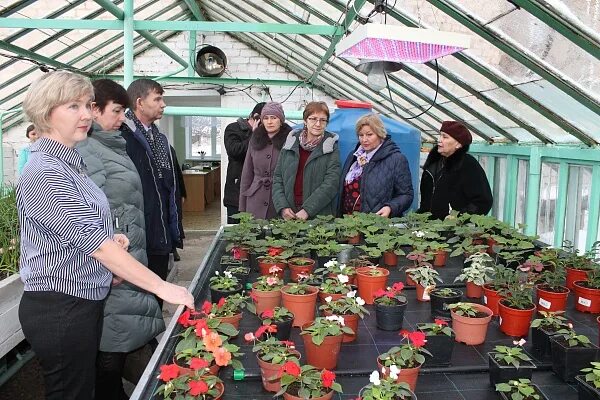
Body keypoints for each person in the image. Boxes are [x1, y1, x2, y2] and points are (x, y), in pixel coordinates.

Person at [17, 70, 194, 400]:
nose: (86, 114)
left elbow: (79, 231)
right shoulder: (45, 171)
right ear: (45, 111)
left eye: (87, 104)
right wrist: (162, 287)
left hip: (83, 298)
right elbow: (91, 243)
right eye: (73, 106)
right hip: (61, 305)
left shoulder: (71, 163)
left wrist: (113, 239)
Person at [75, 79, 164, 400]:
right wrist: (113, 252)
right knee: (115, 339)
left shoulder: (111, 144)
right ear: (94, 110)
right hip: (112, 260)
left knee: (123, 332)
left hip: (128, 251)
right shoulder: (87, 149)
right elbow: (92, 211)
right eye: (116, 111)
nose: (122, 118)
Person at [120, 79, 183, 285]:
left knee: (158, 289)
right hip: (138, 234)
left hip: (161, 229)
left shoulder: (160, 139)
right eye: (157, 99)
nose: (163, 104)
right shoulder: (123, 138)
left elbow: (168, 186)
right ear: (139, 103)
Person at [272, 101, 340, 220]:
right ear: (305, 120)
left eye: (323, 120)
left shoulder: (330, 147)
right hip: (289, 213)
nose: (318, 124)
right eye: (313, 119)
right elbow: (278, 178)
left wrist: (307, 210)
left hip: (318, 215)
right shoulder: (290, 143)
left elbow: (331, 183)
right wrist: (283, 207)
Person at [339, 113, 413, 217]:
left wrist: (390, 208)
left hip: (376, 224)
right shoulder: (354, 156)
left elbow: (406, 195)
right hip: (348, 223)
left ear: (380, 134)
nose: (364, 140)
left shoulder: (396, 159)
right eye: (361, 135)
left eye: (369, 135)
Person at [418, 120, 493, 219]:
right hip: (428, 226)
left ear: (458, 144)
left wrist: (459, 217)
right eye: (440, 135)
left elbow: (482, 201)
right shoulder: (434, 162)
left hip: (453, 229)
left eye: (445, 137)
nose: (439, 140)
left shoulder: (468, 165)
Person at [239, 102, 292, 219]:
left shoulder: (290, 142)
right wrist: (243, 207)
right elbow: (247, 174)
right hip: (255, 199)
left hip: (279, 200)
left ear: (281, 120)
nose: (269, 122)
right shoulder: (255, 140)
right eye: (266, 118)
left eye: (274, 118)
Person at [223, 102, 265, 224]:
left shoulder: (266, 134)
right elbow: (235, 151)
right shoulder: (233, 129)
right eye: (264, 119)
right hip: (236, 195)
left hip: (258, 195)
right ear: (255, 117)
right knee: (237, 236)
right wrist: (254, 134)